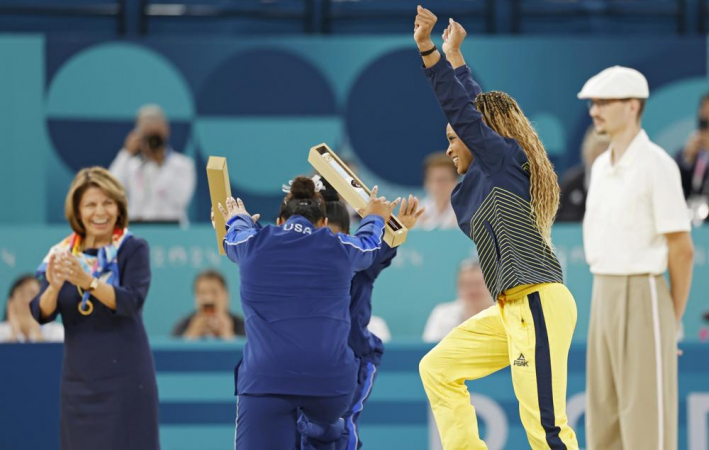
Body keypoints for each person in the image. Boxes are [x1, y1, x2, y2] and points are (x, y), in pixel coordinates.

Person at [413, 9, 579, 449]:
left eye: (454, 137)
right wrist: (456, 56)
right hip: (513, 309)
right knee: (438, 368)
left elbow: (466, 113)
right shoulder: (491, 173)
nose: (449, 146)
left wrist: (429, 52)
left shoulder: (504, 163)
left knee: (545, 429)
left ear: (478, 135)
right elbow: (472, 107)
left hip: (538, 301)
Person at [218, 176, 399, 449]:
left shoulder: (252, 245)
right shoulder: (338, 247)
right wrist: (374, 218)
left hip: (265, 380)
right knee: (331, 425)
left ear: (280, 220)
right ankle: (328, 431)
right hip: (330, 386)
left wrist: (239, 218)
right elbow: (369, 247)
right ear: (324, 224)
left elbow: (233, 236)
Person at [579, 66, 694, 450]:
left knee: (646, 425)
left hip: (644, 294)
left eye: (603, 103)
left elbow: (682, 249)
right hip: (602, 293)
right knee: (603, 423)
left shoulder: (656, 164)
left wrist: (669, 322)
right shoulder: (600, 166)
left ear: (632, 107)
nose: (594, 111)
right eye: (593, 104)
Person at [30, 167, 159, 450]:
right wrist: (53, 286)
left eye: (107, 202)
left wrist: (86, 281)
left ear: (118, 206)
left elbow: (130, 302)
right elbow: (40, 312)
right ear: (77, 210)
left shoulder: (133, 248)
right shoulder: (63, 252)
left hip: (126, 379)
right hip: (79, 384)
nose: (100, 212)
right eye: (91, 204)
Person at [300, 181, 423, 450]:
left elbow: (382, 249)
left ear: (351, 237)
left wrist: (396, 227)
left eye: (337, 238)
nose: (330, 247)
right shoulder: (303, 266)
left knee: (343, 425)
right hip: (315, 363)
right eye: (322, 238)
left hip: (356, 359)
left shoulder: (361, 261)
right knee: (304, 430)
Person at [109, 104, 196, 224]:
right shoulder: (131, 165)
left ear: (166, 131)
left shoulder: (183, 165)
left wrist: (160, 163)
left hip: (172, 231)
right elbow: (109, 189)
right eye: (148, 133)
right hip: (138, 230)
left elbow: (180, 199)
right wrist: (126, 153)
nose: (153, 140)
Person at [422, 260, 492, 343]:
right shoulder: (442, 314)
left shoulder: (504, 313)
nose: (473, 290)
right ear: (458, 287)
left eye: (478, 284)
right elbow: (428, 349)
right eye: (467, 285)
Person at [171, 269, 246, 340]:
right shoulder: (183, 325)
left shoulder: (243, 326)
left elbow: (249, 351)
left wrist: (227, 334)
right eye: (202, 293)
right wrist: (192, 334)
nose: (209, 298)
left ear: (226, 295)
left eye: (214, 292)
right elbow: (174, 351)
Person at [556, 126, 610, 222]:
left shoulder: (621, 182)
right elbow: (556, 220)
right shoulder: (571, 183)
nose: (601, 155)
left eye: (605, 148)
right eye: (597, 146)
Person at [675, 93, 709, 224]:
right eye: (704, 122)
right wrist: (687, 158)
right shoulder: (686, 153)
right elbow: (672, 182)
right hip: (691, 220)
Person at [0, 274, 63, 343]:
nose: (27, 300)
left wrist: (37, 334)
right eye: (22, 294)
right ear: (11, 302)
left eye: (33, 294)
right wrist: (14, 334)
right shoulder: (1, 331)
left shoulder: (57, 332)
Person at [418, 152, 459, 230]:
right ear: (427, 183)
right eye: (437, 180)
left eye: (445, 179)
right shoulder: (418, 211)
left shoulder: (467, 211)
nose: (441, 185)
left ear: (455, 182)